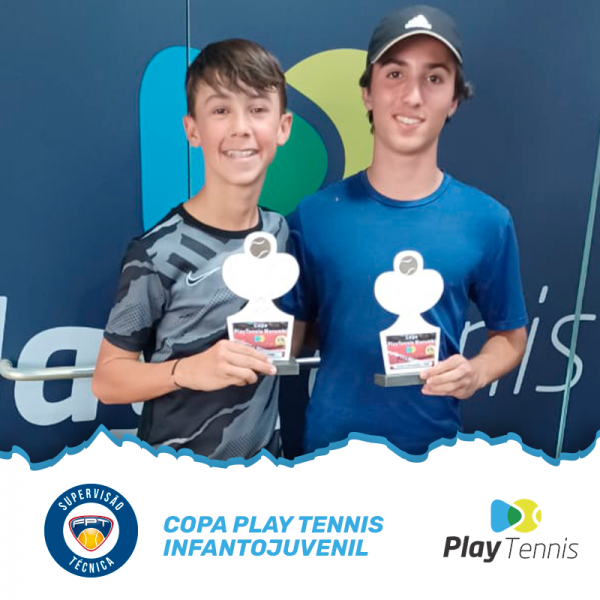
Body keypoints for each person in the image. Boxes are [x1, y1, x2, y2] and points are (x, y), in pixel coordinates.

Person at [281, 5, 528, 456]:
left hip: (433, 458)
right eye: (395, 74)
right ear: (367, 93)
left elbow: (510, 337)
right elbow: (293, 336)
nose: (413, 96)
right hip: (328, 459)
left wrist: (476, 372)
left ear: (454, 99)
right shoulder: (313, 217)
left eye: (434, 78)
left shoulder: (487, 220)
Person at [92, 39, 293, 460]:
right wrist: (188, 371)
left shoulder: (279, 233)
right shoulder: (156, 253)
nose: (240, 127)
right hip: (176, 480)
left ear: (282, 127)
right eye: (220, 110)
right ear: (193, 130)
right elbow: (107, 381)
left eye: (257, 109)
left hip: (266, 475)